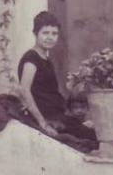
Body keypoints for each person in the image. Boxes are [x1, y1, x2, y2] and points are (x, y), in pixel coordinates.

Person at [17, 12, 96, 148]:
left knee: (93, 131)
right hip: (47, 117)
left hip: (57, 115)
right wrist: (43, 123)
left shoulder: (46, 59)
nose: (50, 37)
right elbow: (24, 90)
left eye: (54, 34)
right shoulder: (31, 59)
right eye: (45, 33)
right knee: (92, 137)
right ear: (36, 33)